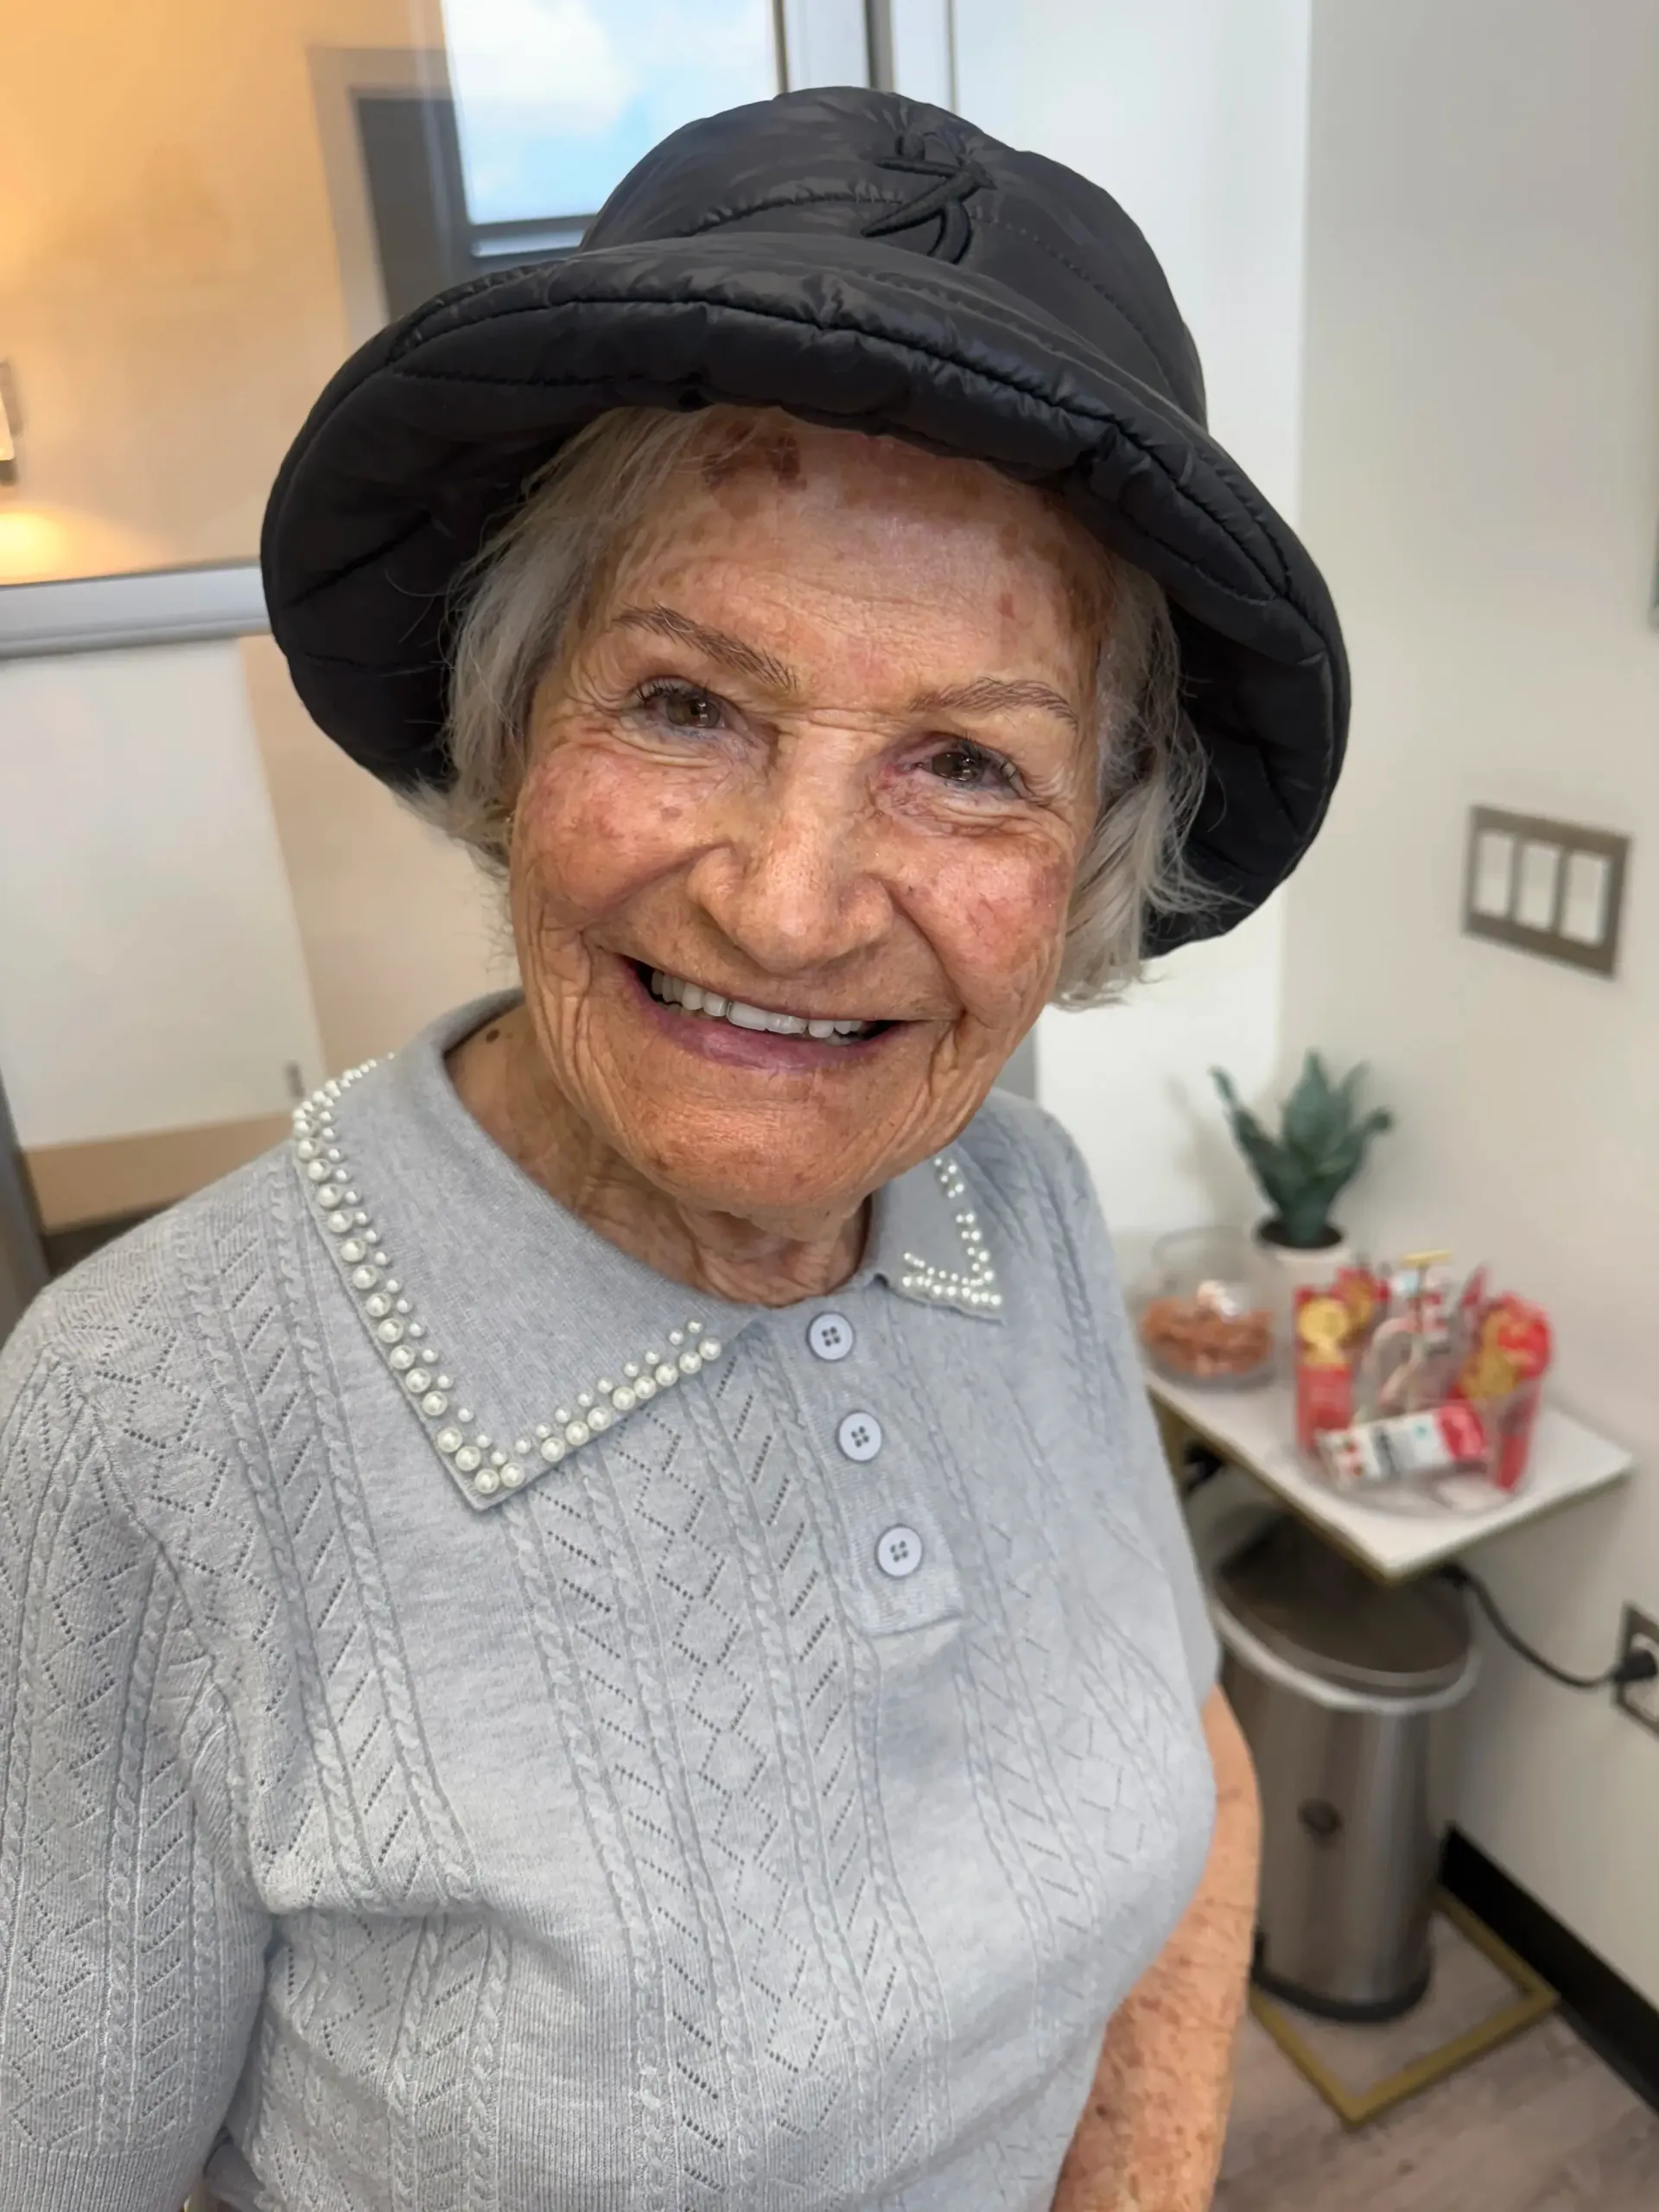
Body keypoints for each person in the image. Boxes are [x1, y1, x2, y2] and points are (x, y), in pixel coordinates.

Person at [0, 87, 1345, 2212]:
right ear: (517, 723)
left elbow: (1189, 1757)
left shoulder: (1027, 1202)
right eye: (690, 703)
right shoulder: (143, 1423)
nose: (793, 906)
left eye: (968, 762)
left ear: (1091, 855)